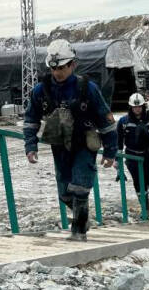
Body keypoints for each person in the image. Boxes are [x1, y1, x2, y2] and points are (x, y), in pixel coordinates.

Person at [24, 40, 118, 241]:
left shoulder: (87, 88)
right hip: (60, 145)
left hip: (84, 143)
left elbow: (106, 120)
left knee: (80, 188)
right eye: (54, 68)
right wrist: (30, 145)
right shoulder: (41, 91)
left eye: (62, 67)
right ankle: (82, 216)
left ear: (72, 64)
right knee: (65, 193)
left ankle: (79, 232)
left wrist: (111, 151)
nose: (58, 72)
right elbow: (31, 120)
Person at [117, 93, 149, 221]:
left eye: (139, 107)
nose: (137, 109)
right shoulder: (123, 122)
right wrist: (117, 160)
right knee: (139, 184)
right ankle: (145, 211)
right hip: (133, 157)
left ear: (144, 106)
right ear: (130, 107)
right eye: (134, 107)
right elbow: (119, 141)